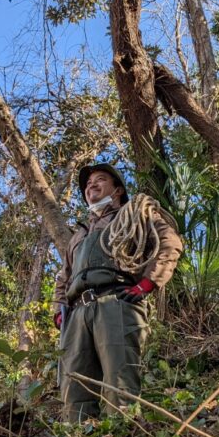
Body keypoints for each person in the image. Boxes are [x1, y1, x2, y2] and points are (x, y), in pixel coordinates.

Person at [53, 163, 183, 421]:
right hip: (77, 314)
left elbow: (170, 243)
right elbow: (63, 278)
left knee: (119, 381)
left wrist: (147, 283)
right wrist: (59, 312)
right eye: (88, 184)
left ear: (118, 190)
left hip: (117, 303)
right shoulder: (78, 235)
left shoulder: (135, 215)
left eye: (100, 180)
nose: (92, 185)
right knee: (74, 388)